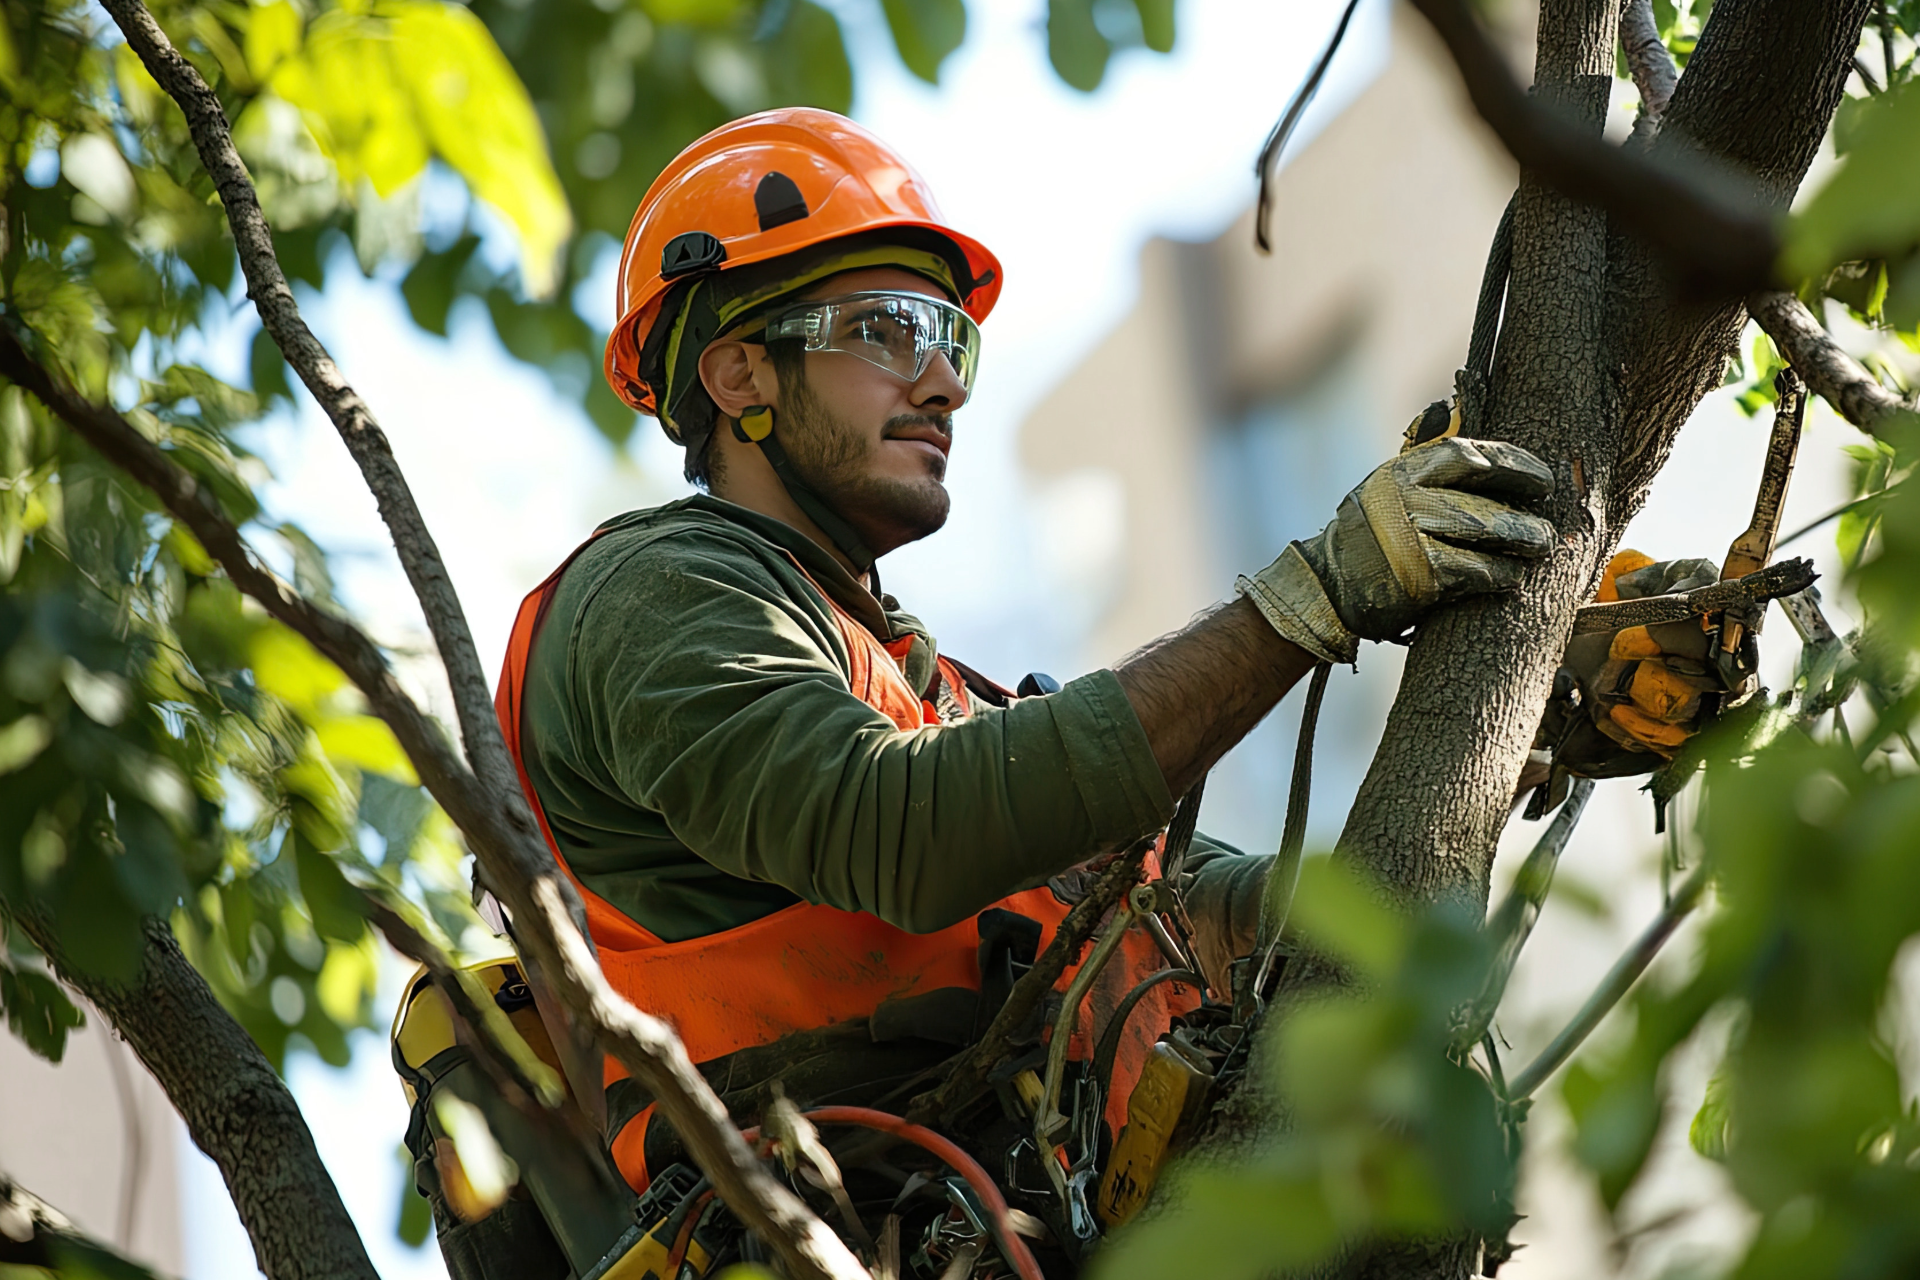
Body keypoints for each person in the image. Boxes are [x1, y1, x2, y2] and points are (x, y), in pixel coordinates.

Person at [411, 107, 1736, 1279]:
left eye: (953, 345)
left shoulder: (944, 703)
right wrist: (1311, 596)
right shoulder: (657, 595)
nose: (941, 379)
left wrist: (1522, 718)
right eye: (888, 332)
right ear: (738, 374)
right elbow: (903, 833)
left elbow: (1239, 919)